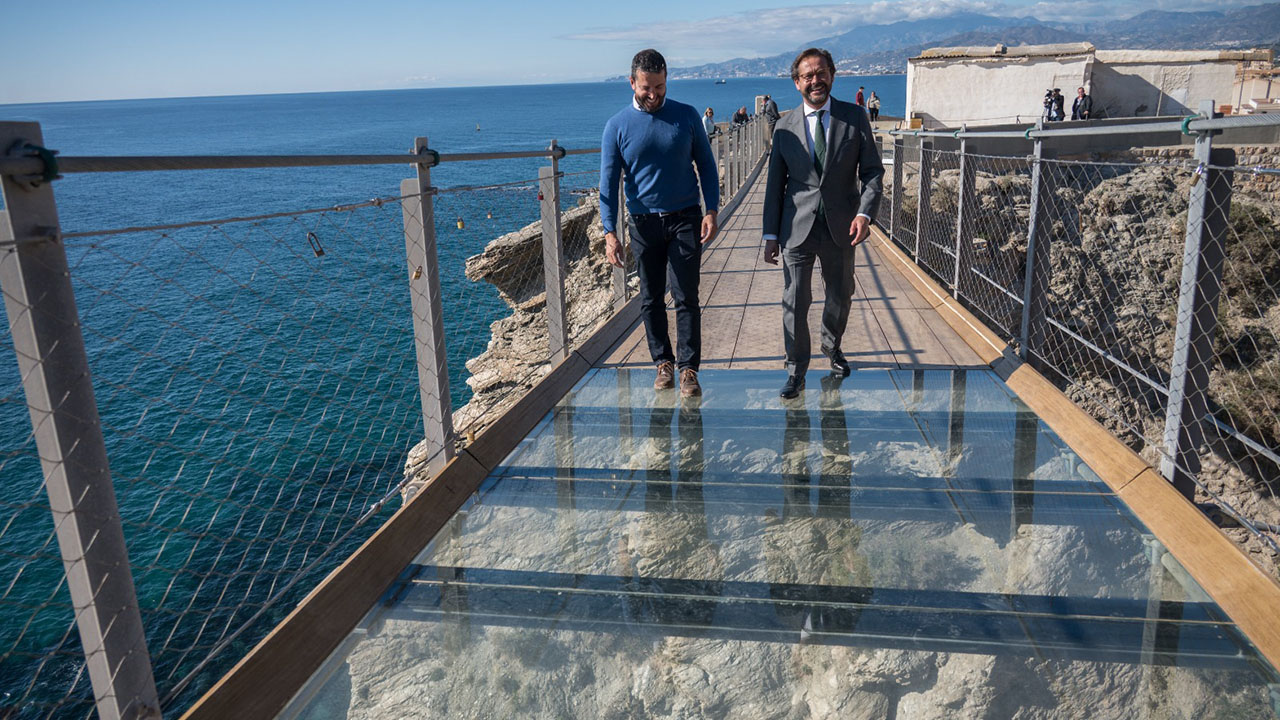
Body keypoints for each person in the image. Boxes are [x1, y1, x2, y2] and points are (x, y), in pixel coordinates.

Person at [762, 48, 884, 399]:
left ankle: (832, 347)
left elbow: (873, 172)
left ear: (832, 74)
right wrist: (771, 234)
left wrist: (865, 213)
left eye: (821, 73)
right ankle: (795, 370)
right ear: (797, 82)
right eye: (807, 75)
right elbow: (775, 185)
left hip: (842, 226)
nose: (815, 80)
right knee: (795, 300)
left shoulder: (854, 117)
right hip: (796, 227)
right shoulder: (784, 127)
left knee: (841, 295)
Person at [600, 49, 719, 397]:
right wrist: (610, 232)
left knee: (686, 296)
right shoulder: (616, 127)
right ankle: (662, 363)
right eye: (647, 88)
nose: (654, 95)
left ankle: (689, 369)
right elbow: (608, 184)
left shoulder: (687, 116)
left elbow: (707, 167)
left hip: (685, 218)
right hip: (642, 223)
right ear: (632, 83)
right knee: (651, 298)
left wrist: (711, 210)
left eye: (661, 87)